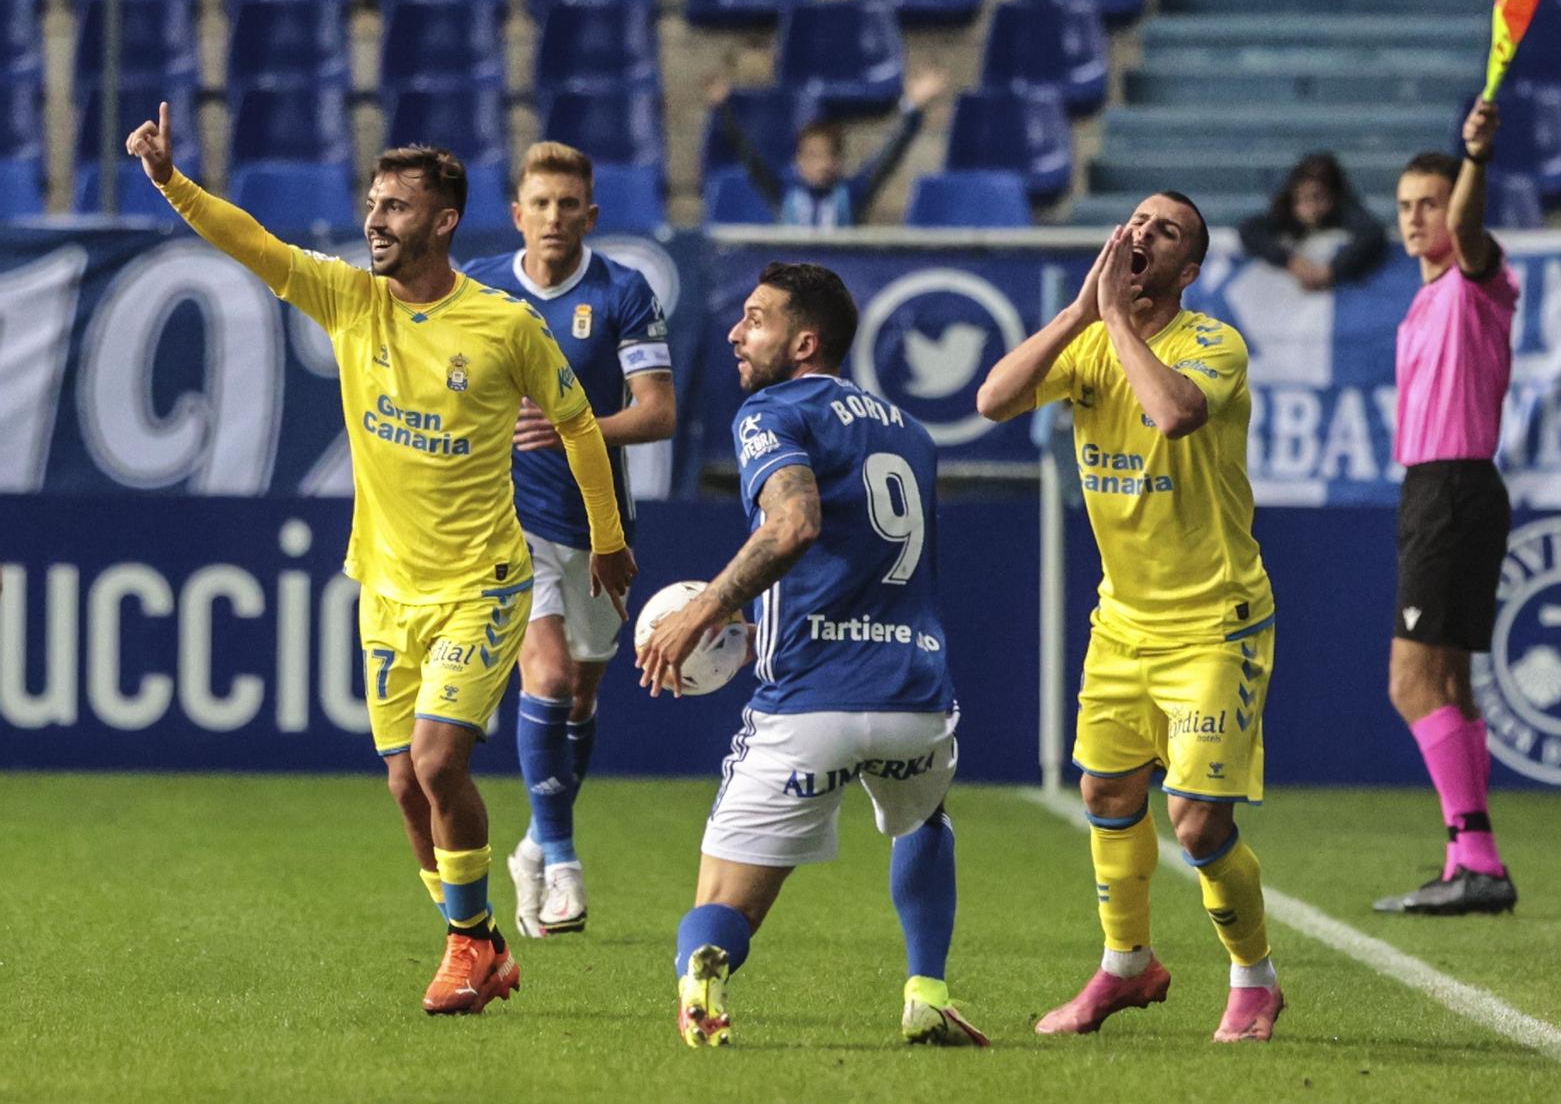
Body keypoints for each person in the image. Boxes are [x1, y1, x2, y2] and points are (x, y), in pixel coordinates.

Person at [125, 103, 638, 1013]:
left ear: (443, 221)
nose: (375, 220)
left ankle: (471, 945)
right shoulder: (350, 299)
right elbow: (254, 244)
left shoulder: (503, 325)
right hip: (385, 588)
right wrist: (173, 183)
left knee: (441, 763)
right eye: (372, 203)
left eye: (396, 207)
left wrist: (606, 538)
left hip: (482, 583)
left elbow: (574, 424)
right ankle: (478, 943)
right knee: (405, 783)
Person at [635, 263, 984, 1051]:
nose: (734, 331)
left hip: (812, 706)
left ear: (803, 342)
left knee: (722, 903)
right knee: (924, 817)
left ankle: (705, 968)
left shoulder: (772, 410)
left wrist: (705, 608)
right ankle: (927, 991)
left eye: (754, 319)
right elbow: (867, 559)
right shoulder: (911, 431)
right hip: (915, 701)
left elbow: (793, 525)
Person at [975, 195, 1283, 1044]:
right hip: (1123, 621)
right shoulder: (1090, 337)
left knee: (1195, 818)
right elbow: (993, 398)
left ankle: (1254, 979)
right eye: (1137, 221)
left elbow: (1175, 413)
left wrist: (1113, 319)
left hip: (1215, 620)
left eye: (1167, 231)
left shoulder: (1213, 343)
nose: (1143, 233)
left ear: (1187, 272)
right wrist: (1082, 310)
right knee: (1106, 792)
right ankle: (1126, 966)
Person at [460, 142, 675, 940]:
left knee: (579, 697)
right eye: (539, 203)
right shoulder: (478, 287)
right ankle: (563, 857)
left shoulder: (622, 291)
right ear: (517, 214)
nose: (553, 217)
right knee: (545, 677)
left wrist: (571, 424)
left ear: (591, 213)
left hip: (598, 524)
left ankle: (532, 846)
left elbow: (657, 410)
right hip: (505, 521)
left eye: (567, 204)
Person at [1372, 101, 1523, 919]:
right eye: (1404, 206)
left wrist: (1476, 157)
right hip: (1440, 488)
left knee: (1410, 681)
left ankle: (1474, 847)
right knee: (1453, 684)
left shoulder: (1476, 277)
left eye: (1426, 203)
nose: (1415, 217)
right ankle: (1472, 858)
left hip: (1454, 487)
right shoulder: (1427, 297)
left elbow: (1469, 220)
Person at [704, 68, 948, 227]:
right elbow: (747, 154)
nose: (822, 164)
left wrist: (912, 108)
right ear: (798, 161)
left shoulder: (852, 195)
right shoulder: (782, 192)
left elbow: (889, 155)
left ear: (840, 161)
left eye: (830, 155)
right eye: (812, 156)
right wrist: (724, 109)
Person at [1238, 152, 1387, 291]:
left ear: (1333, 197)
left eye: (1318, 198)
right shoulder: (1285, 216)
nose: (1310, 207)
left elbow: (1371, 234)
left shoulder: (1347, 215)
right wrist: (1291, 262)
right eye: (1302, 199)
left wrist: (1332, 270)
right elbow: (1250, 229)